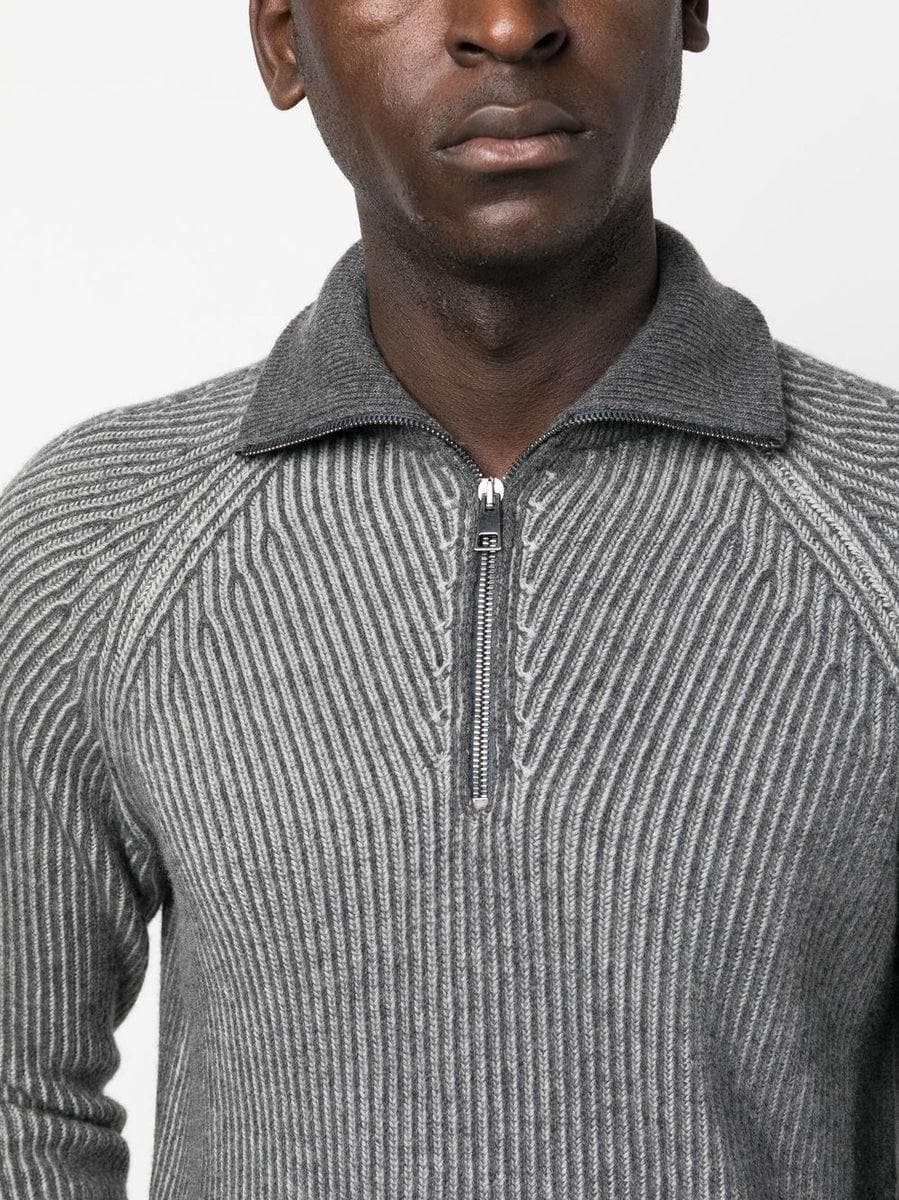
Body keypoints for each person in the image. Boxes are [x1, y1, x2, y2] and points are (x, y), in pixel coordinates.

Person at [1, 1, 897, 1196]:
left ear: (687, 7)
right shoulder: (96, 540)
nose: (508, 25)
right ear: (283, 41)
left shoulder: (877, 523)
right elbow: (17, 1100)